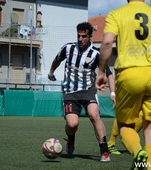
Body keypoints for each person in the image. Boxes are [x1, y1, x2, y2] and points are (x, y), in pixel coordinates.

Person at [96, 0, 151, 169]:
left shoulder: (117, 14)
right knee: (149, 126)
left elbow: (106, 42)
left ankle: (137, 153)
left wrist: (102, 71)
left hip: (129, 74)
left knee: (125, 126)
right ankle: (146, 166)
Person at [48, 22, 110, 162]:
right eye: (78, 36)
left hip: (88, 90)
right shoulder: (68, 48)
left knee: (94, 115)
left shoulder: (95, 54)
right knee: (72, 124)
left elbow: (106, 71)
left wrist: (107, 86)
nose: (80, 39)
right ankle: (71, 139)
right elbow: (57, 60)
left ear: (90, 37)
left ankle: (104, 151)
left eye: (84, 36)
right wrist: (51, 72)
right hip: (70, 92)